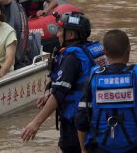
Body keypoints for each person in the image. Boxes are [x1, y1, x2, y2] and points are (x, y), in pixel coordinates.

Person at [21, 12, 107, 152]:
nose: (58, 34)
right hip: (97, 120)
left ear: (71, 35)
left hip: (76, 125)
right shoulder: (94, 49)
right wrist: (51, 94)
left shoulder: (72, 57)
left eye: (61, 30)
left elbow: (60, 93)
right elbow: (82, 83)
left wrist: (35, 123)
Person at [76, 29, 137, 153]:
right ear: (129, 49)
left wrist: (83, 149)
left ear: (105, 51)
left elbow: (81, 120)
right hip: (135, 148)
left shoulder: (93, 80)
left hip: (101, 148)